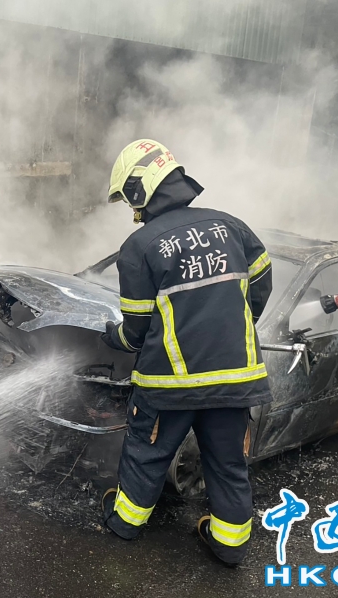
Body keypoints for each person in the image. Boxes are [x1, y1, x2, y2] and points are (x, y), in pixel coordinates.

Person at [99, 139, 273, 565]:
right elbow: (261, 286)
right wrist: (230, 329)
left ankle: (125, 524)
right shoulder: (232, 227)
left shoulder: (140, 246)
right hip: (234, 381)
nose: (131, 209)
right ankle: (229, 546)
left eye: (129, 200)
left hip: (169, 386)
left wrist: (112, 338)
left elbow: (137, 329)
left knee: (147, 454)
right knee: (228, 464)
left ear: (140, 190)